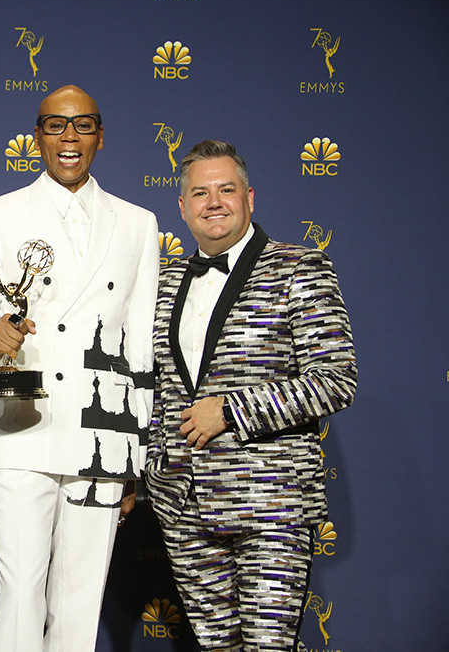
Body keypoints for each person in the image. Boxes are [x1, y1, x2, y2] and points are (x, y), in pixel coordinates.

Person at [0, 85, 159, 652]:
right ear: (37, 136)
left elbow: (140, 348)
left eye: (83, 125)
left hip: (102, 436)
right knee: (20, 591)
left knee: (81, 600)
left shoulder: (138, 224)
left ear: (101, 135)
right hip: (21, 427)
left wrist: (135, 458)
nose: (69, 138)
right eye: (55, 126)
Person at [145, 140, 357, 651]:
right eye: (200, 192)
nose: (213, 202)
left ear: (250, 197)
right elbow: (149, 385)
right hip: (183, 504)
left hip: (272, 503)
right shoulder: (163, 282)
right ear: (182, 206)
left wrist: (232, 410)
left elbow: (335, 379)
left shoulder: (299, 266)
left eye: (226, 189)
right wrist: (151, 469)